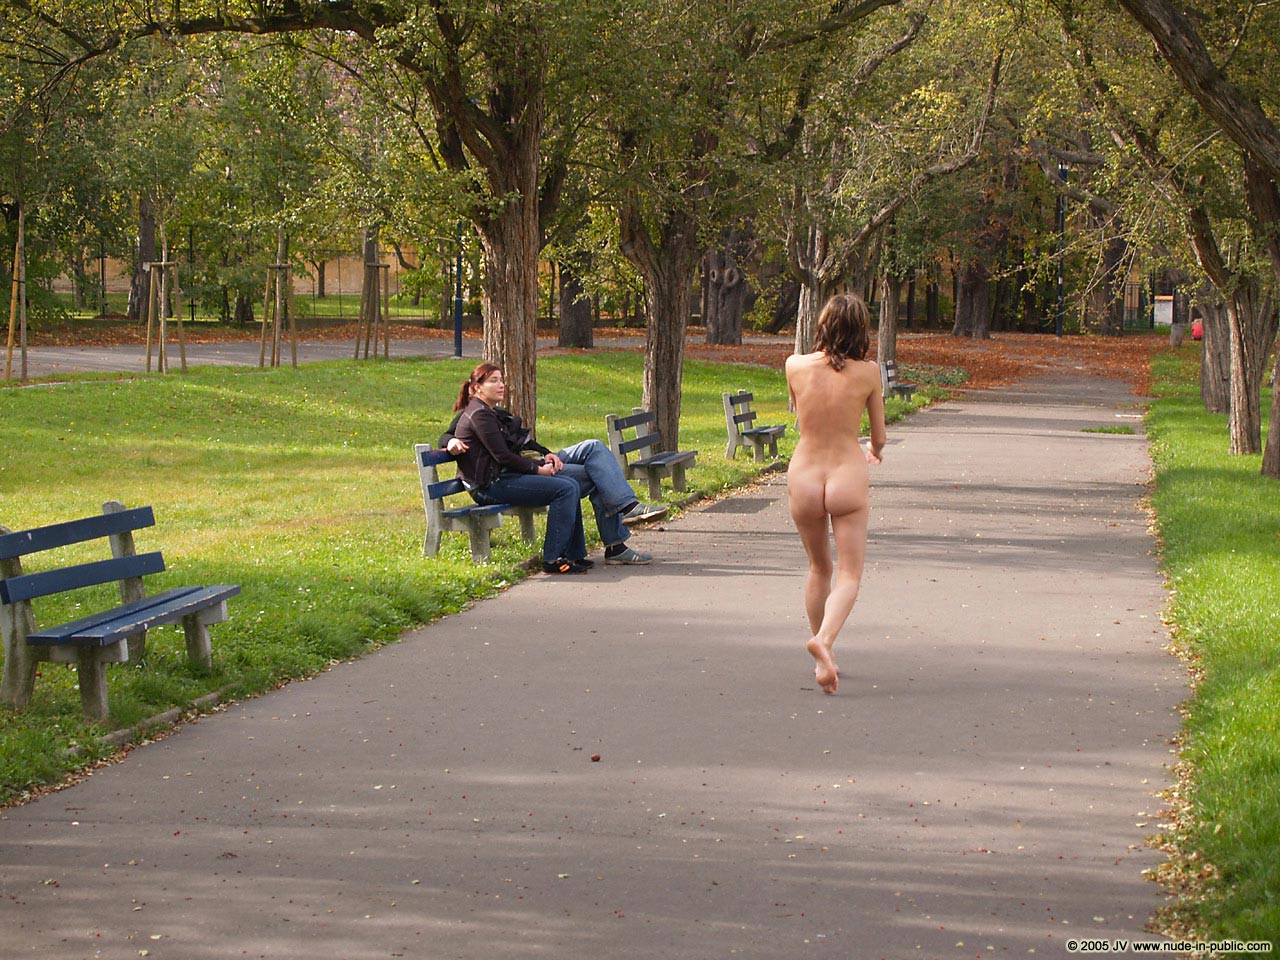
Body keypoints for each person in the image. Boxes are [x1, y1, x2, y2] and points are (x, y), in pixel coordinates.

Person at [443, 363, 664, 571]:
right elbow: (500, 455)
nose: (501, 385)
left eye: (501, 380)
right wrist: (538, 469)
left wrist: (546, 453)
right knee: (568, 486)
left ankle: (609, 542)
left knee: (596, 463)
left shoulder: (494, 412)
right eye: (494, 381)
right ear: (477, 387)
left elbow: (522, 443)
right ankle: (555, 558)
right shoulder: (478, 414)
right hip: (494, 483)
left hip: (515, 471)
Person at [784, 294, 887, 694]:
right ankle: (824, 641)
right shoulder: (869, 373)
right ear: (861, 329)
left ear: (823, 324)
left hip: (805, 473)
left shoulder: (794, 365)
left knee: (818, 567)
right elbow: (879, 436)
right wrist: (874, 450)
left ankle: (822, 654)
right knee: (849, 573)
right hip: (846, 474)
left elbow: (801, 413)